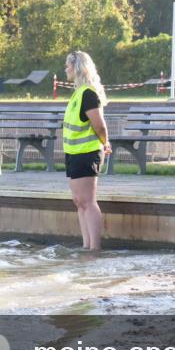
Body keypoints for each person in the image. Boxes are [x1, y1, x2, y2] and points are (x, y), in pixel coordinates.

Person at [62, 51, 111, 250]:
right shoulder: (78, 93)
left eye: (68, 66)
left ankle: (95, 248)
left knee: (88, 201)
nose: (66, 69)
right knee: (79, 201)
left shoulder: (89, 93)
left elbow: (99, 125)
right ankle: (86, 245)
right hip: (74, 153)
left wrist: (105, 143)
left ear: (78, 68)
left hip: (87, 153)